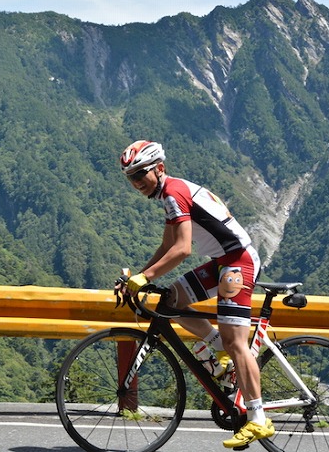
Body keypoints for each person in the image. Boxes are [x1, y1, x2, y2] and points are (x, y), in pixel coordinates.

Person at [115, 140, 274, 448]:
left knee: (235, 341)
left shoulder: (174, 193)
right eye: (130, 178)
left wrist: (144, 277)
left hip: (236, 262)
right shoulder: (169, 193)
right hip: (222, 262)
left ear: (159, 168)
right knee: (173, 302)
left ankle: (258, 418)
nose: (136, 183)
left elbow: (183, 249)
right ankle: (223, 356)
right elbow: (165, 247)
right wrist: (138, 276)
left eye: (140, 175)